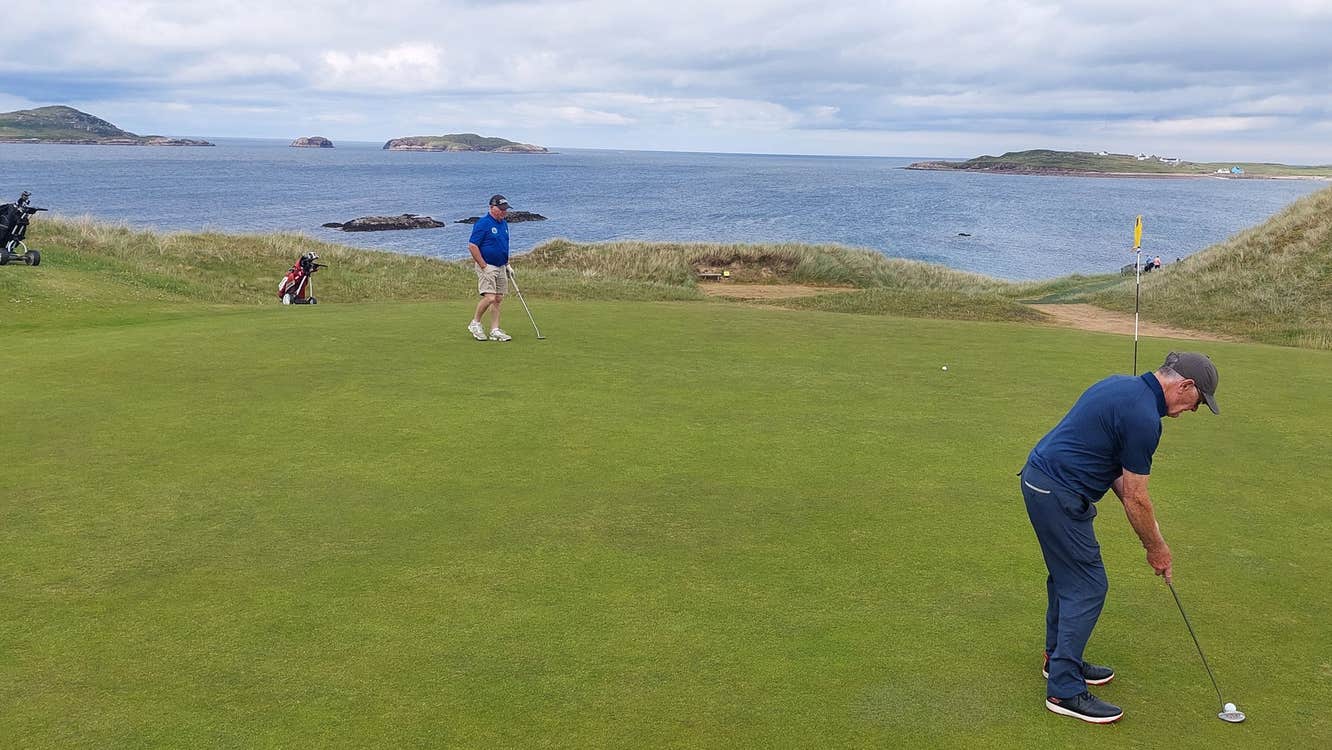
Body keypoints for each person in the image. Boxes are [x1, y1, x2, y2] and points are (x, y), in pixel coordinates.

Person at [1019, 351, 1220, 724]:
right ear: (1186, 386)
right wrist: (1156, 549)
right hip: (1058, 493)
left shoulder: (1120, 386)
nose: (1194, 410)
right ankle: (1064, 690)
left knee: (1067, 578)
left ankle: (1058, 659)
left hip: (1041, 481)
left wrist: (1153, 538)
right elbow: (1136, 497)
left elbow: (1120, 478)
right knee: (1088, 586)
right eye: (1198, 402)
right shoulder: (1144, 418)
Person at [466, 194, 514, 341]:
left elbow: (503, 245)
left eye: (505, 209)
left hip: (501, 266)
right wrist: (483, 265)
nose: (504, 212)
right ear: (492, 208)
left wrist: (507, 264)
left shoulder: (504, 224)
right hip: (487, 266)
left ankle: (495, 330)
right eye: (501, 209)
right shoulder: (483, 223)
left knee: (498, 298)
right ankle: (475, 323)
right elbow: (472, 246)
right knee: (490, 298)